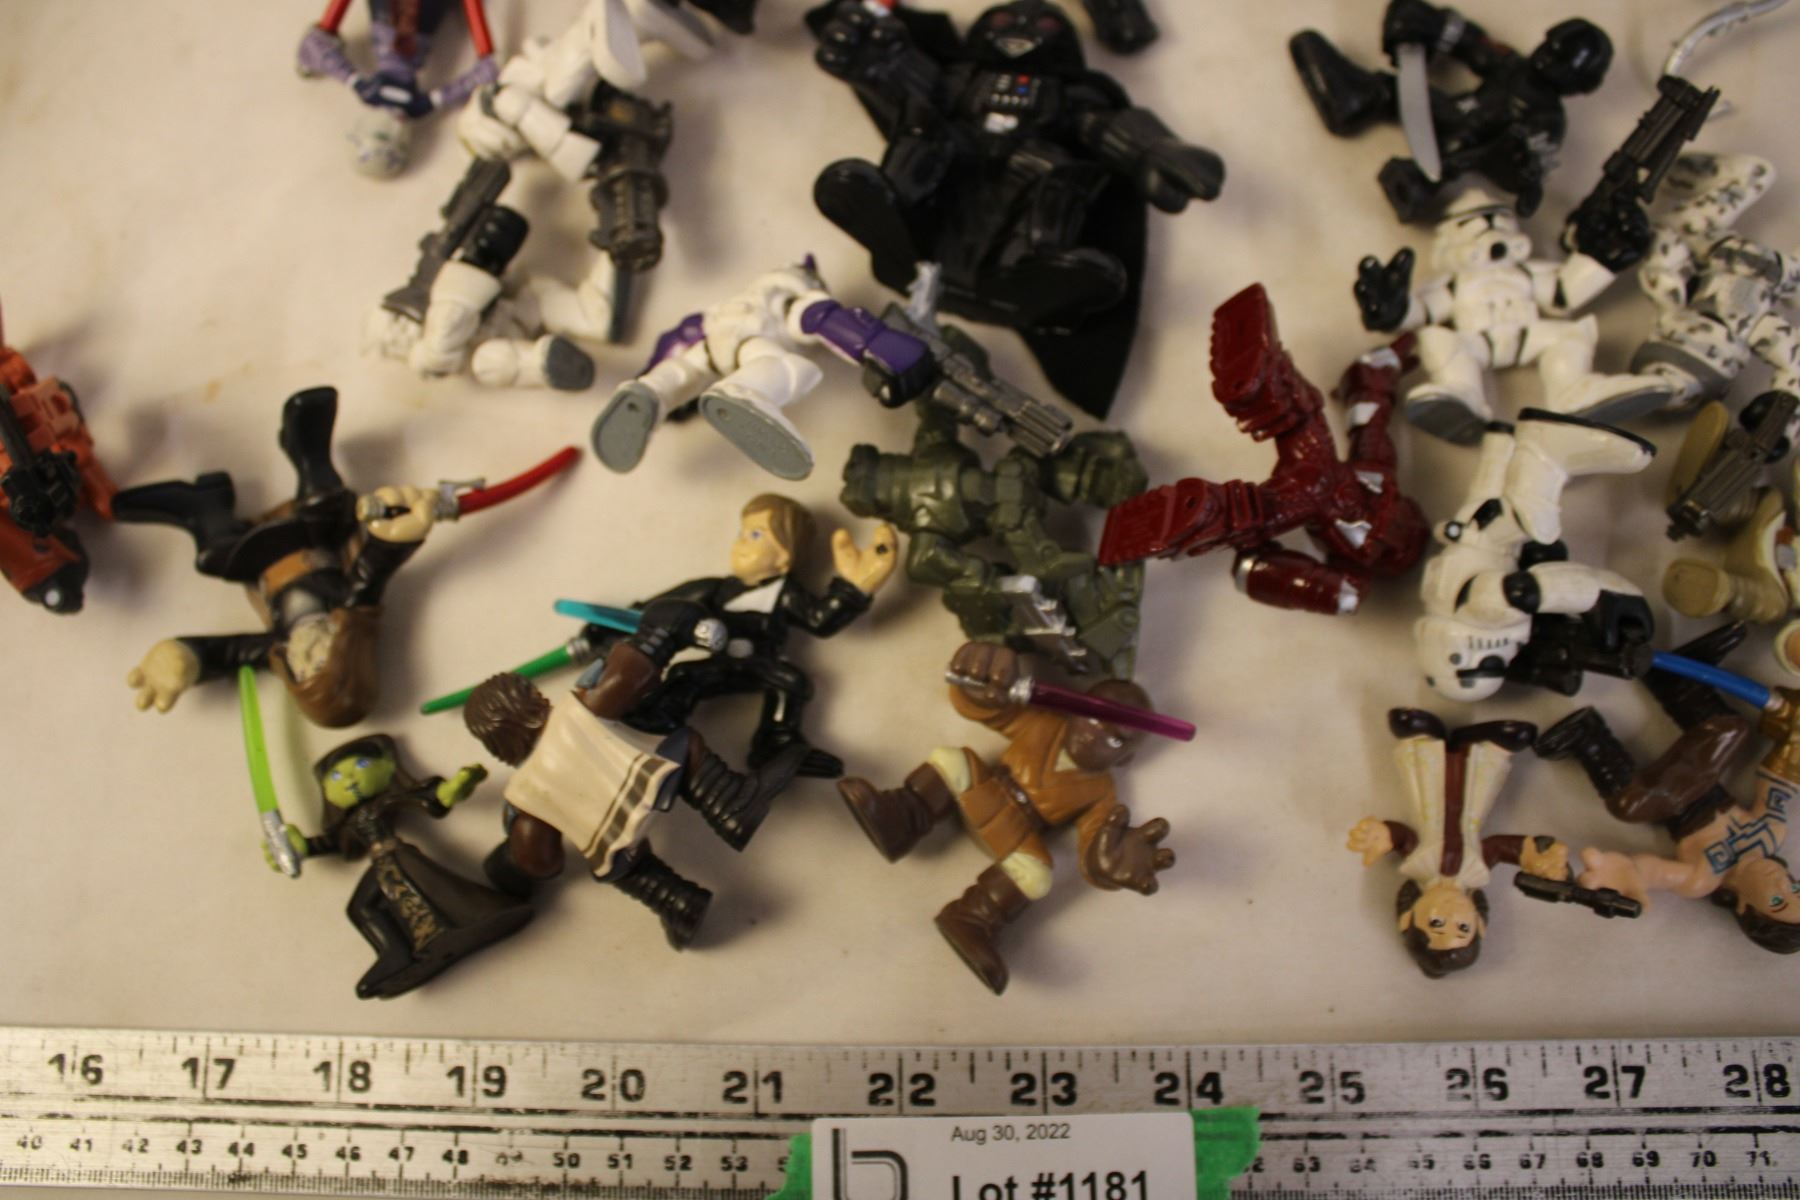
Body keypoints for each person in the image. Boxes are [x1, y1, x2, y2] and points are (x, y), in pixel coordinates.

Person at [838, 641, 1173, 994]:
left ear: (1125, 760)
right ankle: (901, 819)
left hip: (1018, 831)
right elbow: (991, 711)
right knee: (953, 759)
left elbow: (1094, 840)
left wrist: (1106, 863)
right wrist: (979, 686)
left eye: (1115, 740)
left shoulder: (1102, 792)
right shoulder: (1044, 724)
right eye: (1089, 716)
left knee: (1038, 874)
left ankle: (972, 921)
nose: (1094, 735)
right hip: (988, 792)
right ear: (1072, 709)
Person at [116, 387, 441, 728]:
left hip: (256, 558)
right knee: (324, 498)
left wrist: (187, 657)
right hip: (314, 535)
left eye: (304, 672)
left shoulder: (278, 646)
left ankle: (202, 505)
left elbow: (229, 653)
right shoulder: (351, 607)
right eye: (321, 664)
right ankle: (307, 450)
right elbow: (371, 572)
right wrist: (393, 538)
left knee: (214, 553)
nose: (307, 658)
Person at [585, 493, 899, 778]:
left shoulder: (785, 595)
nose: (742, 543)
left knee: (793, 681)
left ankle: (776, 742)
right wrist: (610, 624)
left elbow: (819, 620)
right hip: (721, 663)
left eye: (756, 535)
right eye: (742, 533)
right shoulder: (716, 589)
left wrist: (852, 588)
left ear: (784, 558)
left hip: (760, 665)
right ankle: (655, 720)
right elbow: (661, 606)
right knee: (684, 675)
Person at [1535, 626, 1800, 954]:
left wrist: (1629, 872)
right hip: (1706, 775)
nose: (1782, 883)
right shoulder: (1771, 832)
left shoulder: (1702, 878)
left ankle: (1587, 738)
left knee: (1630, 806)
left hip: (1667, 801)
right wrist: (1793, 746)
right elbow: (1778, 784)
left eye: (1776, 900)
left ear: (1746, 907)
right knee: (1731, 729)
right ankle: (1683, 681)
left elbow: (1655, 872)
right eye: (1796, 889)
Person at [271, 735, 532, 999]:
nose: (350, 780)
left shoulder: (383, 803)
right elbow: (334, 844)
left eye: (361, 765)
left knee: (421, 893)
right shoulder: (349, 824)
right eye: (336, 777)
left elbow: (422, 798)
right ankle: (394, 952)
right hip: (382, 862)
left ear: (387, 767)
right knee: (360, 908)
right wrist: (300, 847)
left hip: (396, 855)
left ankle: (446, 931)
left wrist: (451, 789)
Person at [1347, 709, 1570, 978]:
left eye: (1437, 923)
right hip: (1474, 799)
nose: (1452, 915)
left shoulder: (1420, 864)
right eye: (1463, 928)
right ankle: (1478, 743)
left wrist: (1385, 835)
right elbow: (1499, 847)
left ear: (1408, 918)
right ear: (1479, 924)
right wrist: (1535, 856)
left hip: (1429, 795)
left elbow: (1405, 838)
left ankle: (1423, 738)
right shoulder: (1474, 870)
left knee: (1408, 730)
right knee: (1514, 738)